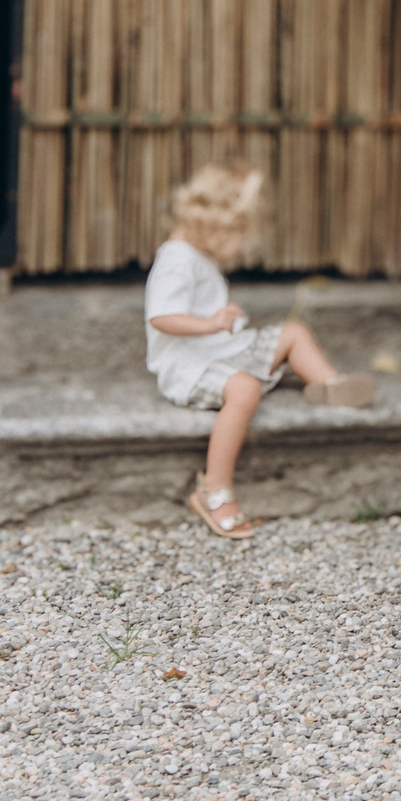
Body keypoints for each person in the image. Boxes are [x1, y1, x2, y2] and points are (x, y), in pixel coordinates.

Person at [145, 162, 375, 540]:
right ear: (214, 226)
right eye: (241, 234)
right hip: (190, 365)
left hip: (219, 349)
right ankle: (214, 491)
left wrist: (220, 323)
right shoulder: (176, 261)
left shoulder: (193, 254)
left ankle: (330, 385)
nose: (243, 245)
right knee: (245, 389)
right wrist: (211, 323)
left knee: (293, 332)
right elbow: (161, 317)